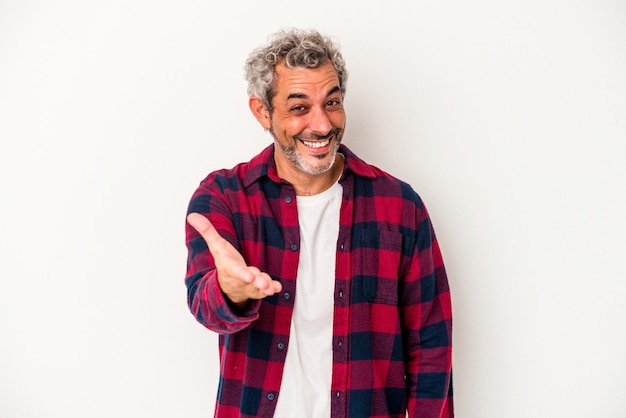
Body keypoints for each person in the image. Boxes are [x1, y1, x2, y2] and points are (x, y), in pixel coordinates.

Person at [184, 28, 453, 418]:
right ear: (262, 111)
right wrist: (230, 290)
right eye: (298, 108)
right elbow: (205, 306)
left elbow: (431, 342)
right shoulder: (225, 197)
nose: (323, 125)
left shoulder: (399, 207)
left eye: (332, 102)